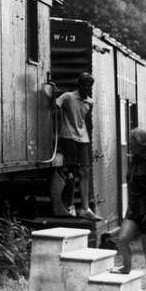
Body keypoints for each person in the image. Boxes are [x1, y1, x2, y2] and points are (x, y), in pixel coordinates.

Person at [115, 127, 146, 291]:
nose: (129, 144)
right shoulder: (135, 160)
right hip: (134, 210)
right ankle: (126, 267)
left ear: (140, 144)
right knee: (122, 239)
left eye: (131, 141)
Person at [54, 72, 102, 220]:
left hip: (83, 139)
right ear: (79, 84)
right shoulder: (68, 96)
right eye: (85, 85)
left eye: (90, 86)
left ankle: (85, 208)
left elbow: (86, 122)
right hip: (68, 137)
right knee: (70, 172)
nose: (88, 88)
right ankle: (70, 205)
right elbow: (54, 107)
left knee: (85, 172)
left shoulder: (90, 102)